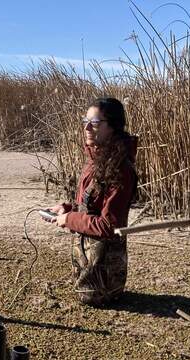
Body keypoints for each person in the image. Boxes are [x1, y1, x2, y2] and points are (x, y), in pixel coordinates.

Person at [45, 97, 138, 306]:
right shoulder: (96, 159)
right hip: (87, 271)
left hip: (102, 283)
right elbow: (91, 205)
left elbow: (109, 226)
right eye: (85, 121)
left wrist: (69, 219)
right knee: (85, 295)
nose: (87, 127)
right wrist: (67, 208)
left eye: (95, 123)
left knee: (91, 298)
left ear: (113, 127)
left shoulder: (121, 169)